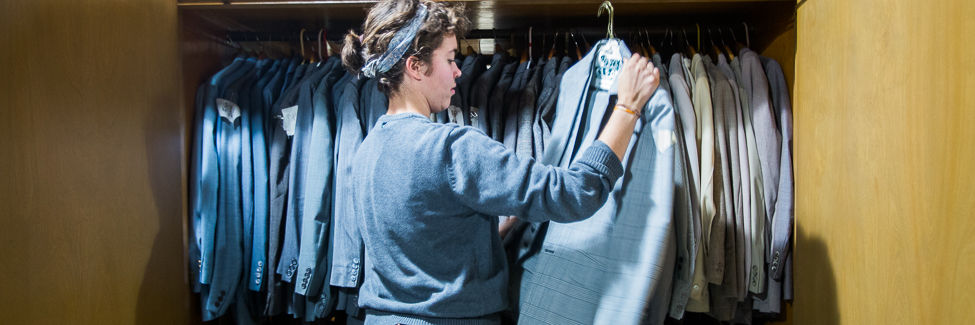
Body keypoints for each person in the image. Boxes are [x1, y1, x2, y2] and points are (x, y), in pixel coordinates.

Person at [342, 0, 660, 323]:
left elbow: (420, 246)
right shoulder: (451, 149)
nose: (458, 71)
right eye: (450, 59)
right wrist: (628, 107)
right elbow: (576, 192)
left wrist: (486, 237)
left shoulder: (367, 150)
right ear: (415, 66)